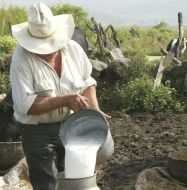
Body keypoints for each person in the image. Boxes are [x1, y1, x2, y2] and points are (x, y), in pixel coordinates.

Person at [10, 2, 110, 190]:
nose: (46, 50)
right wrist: (65, 99)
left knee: (75, 178)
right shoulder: (21, 59)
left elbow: (87, 80)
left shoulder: (72, 49)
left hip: (71, 124)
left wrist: (94, 108)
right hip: (37, 131)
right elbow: (26, 105)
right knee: (47, 183)